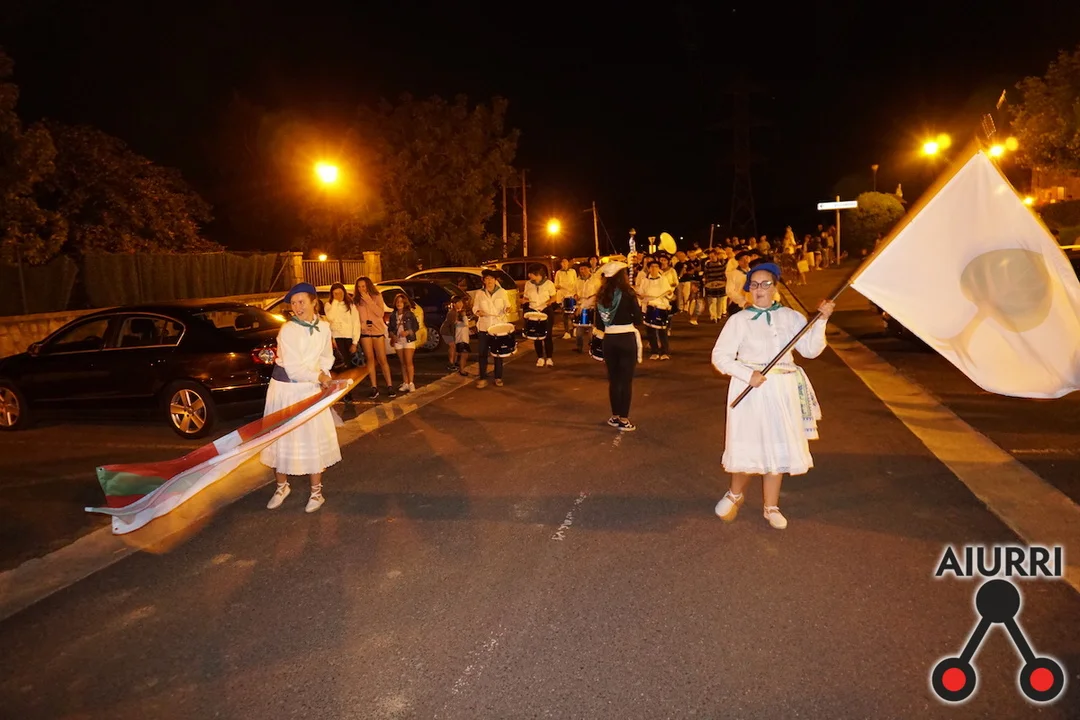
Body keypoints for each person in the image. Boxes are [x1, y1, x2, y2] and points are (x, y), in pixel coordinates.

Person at [709, 262, 835, 530]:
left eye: (765, 284)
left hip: (782, 390)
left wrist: (822, 321)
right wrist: (747, 374)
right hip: (750, 389)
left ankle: (771, 506)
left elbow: (810, 350)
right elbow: (720, 357)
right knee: (747, 443)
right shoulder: (738, 321)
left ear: (775, 287)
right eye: (754, 285)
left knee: (777, 444)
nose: (759, 289)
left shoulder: (792, 317)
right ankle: (735, 494)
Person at [262, 283, 342, 513]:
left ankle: (317, 493)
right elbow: (294, 368)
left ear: (313, 302)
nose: (297, 307)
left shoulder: (324, 327)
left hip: (311, 388)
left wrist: (324, 374)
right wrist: (319, 377)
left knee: (312, 438)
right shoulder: (288, 330)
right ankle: (281, 487)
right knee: (281, 437)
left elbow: (326, 356)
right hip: (285, 391)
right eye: (294, 303)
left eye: (301, 302)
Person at [595, 261, 643, 431]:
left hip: (609, 340)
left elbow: (599, 324)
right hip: (626, 338)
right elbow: (638, 319)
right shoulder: (628, 293)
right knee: (626, 381)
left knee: (614, 380)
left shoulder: (601, 295)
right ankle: (624, 418)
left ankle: (615, 416)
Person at [354, 276, 397, 399]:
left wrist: (368, 300)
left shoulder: (377, 296)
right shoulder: (356, 300)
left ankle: (389, 385)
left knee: (382, 359)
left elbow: (380, 313)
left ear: (368, 286)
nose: (361, 289)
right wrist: (361, 325)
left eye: (363, 286)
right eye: (359, 287)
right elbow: (355, 317)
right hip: (365, 332)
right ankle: (374, 387)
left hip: (377, 331)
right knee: (370, 359)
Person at [474, 270, 511, 388]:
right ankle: (482, 378)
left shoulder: (502, 292)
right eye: (487, 279)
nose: (489, 281)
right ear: (483, 281)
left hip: (497, 327)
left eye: (491, 279)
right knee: (482, 353)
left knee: (497, 353)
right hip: (484, 327)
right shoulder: (479, 293)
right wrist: (478, 312)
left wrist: (507, 309)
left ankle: (498, 377)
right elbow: (475, 307)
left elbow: (507, 305)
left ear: (495, 280)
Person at [323, 282, 360, 402]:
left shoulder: (351, 305)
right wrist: (335, 302)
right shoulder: (329, 305)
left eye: (340, 293)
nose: (339, 295)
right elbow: (331, 318)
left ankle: (348, 391)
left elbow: (356, 323)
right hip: (336, 338)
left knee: (348, 366)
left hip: (348, 338)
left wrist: (355, 342)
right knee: (339, 366)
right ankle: (342, 391)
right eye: (335, 293)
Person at [522, 264, 558, 367]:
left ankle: (549, 358)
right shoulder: (528, 284)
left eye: (531, 274)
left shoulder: (548, 283)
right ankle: (540, 357)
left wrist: (548, 302)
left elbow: (554, 297)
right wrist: (524, 301)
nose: (529, 275)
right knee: (536, 336)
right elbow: (526, 297)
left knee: (547, 335)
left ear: (538, 274)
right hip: (533, 311)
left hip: (545, 310)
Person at [387, 292, 420, 393]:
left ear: (405, 303)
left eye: (401, 302)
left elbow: (416, 326)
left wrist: (408, 332)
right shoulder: (393, 315)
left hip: (408, 340)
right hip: (398, 341)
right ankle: (405, 382)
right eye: (397, 302)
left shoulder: (409, 314)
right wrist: (393, 335)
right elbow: (390, 328)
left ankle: (411, 383)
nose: (399, 303)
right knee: (402, 363)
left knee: (408, 362)